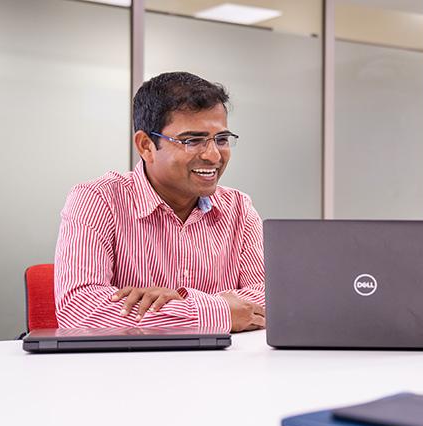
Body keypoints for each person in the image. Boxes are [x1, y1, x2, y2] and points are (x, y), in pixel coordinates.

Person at [54, 72, 265, 332]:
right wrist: (221, 312)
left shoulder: (238, 208)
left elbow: (268, 301)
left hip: (225, 369)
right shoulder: (98, 200)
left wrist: (183, 301)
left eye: (221, 140)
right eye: (193, 141)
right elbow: (80, 310)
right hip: (129, 369)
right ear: (145, 146)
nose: (213, 155)